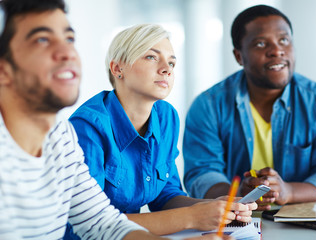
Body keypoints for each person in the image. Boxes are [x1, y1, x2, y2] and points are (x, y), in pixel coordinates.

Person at [0, 1, 231, 240]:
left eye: (69, 39)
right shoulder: (84, 128)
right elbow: (80, 231)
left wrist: (208, 210)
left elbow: (102, 223)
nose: (67, 52)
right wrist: (191, 217)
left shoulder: (60, 137)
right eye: (42, 40)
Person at [65, 24, 257, 239]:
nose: (167, 68)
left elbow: (165, 195)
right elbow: (92, 223)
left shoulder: (166, 116)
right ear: (118, 68)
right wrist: (192, 216)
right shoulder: (87, 128)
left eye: (172, 62)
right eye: (151, 57)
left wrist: (214, 207)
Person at [183, 4, 316, 211]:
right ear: (239, 56)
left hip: (303, 225)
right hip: (233, 223)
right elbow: (201, 175)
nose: (276, 51)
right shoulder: (208, 106)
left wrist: (287, 191)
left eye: (283, 40)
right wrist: (238, 194)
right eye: (261, 43)